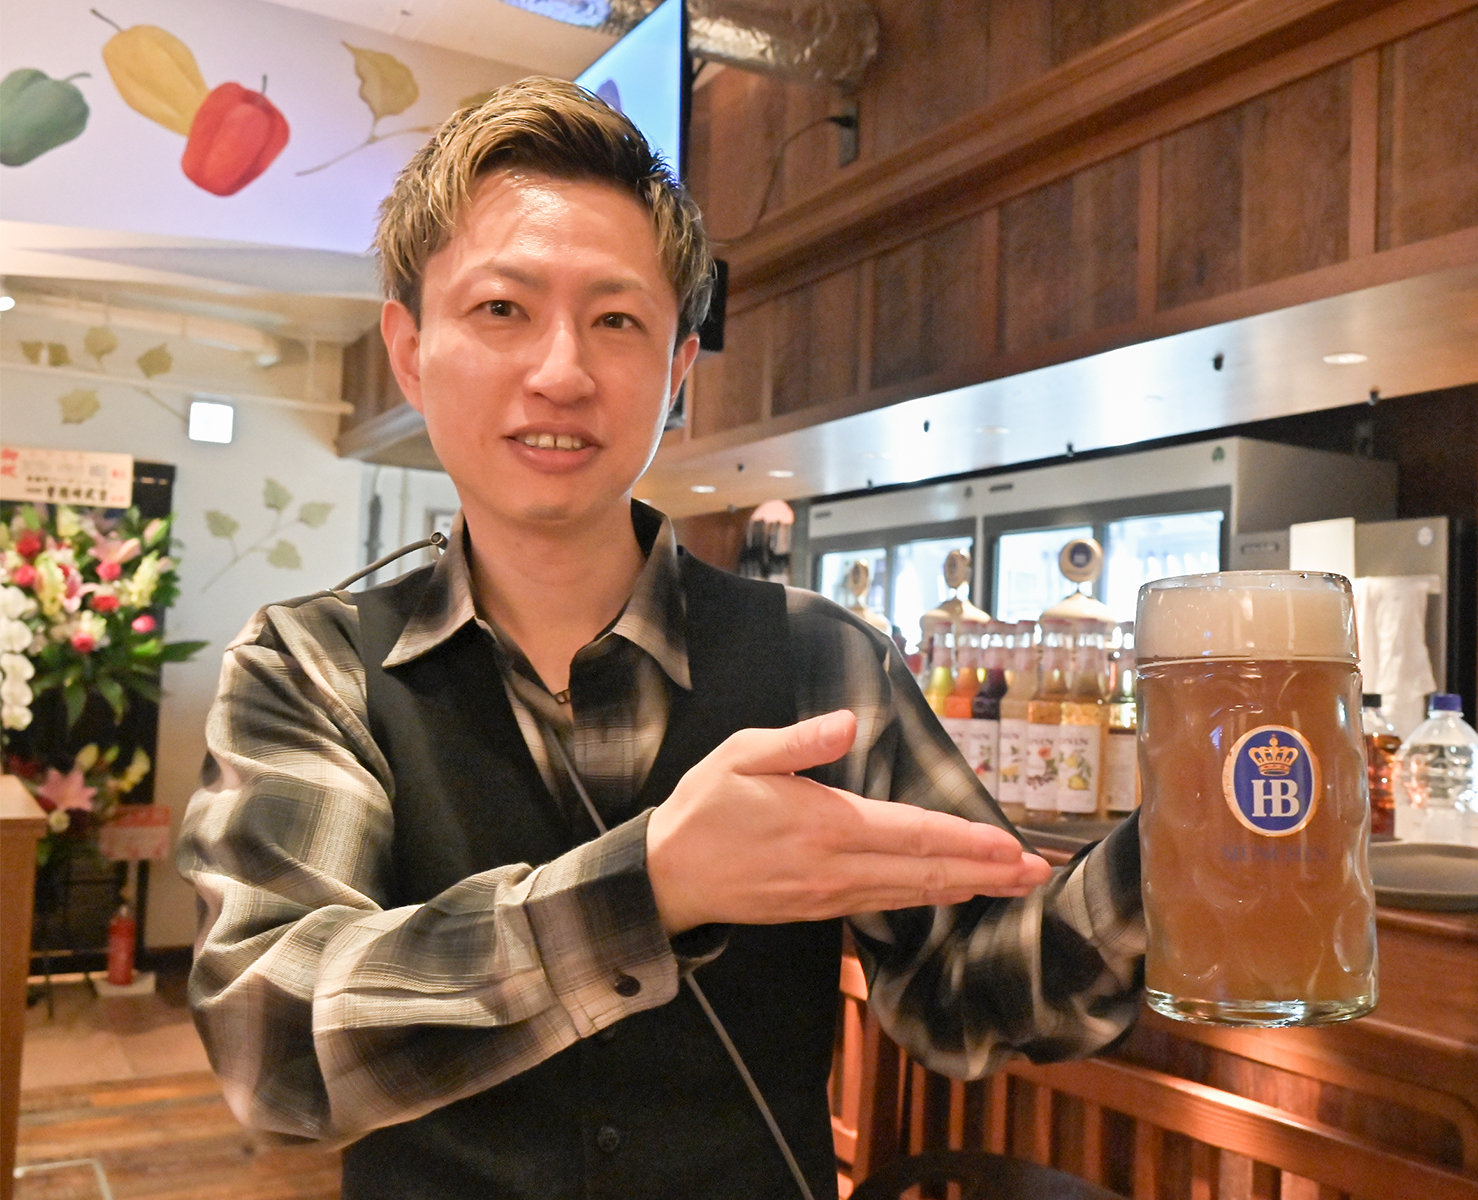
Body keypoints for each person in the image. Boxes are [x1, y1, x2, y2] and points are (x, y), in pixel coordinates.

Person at [177, 75, 1145, 1200]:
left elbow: (970, 993)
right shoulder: (312, 668)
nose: (561, 372)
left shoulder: (824, 659)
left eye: (617, 320)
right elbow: (275, 1040)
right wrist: (648, 888)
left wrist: (1176, 858)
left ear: (678, 371)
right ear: (410, 350)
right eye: (502, 310)